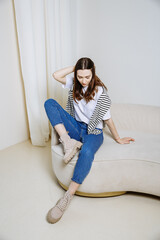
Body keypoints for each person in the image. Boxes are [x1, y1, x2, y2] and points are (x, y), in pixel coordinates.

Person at [44, 57, 135, 224]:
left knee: (86, 152)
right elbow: (56, 75)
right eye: (80, 76)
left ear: (93, 74)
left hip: (94, 131)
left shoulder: (100, 93)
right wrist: (75, 68)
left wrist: (118, 138)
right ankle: (68, 142)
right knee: (49, 103)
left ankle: (67, 196)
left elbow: (108, 120)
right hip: (75, 127)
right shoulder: (74, 82)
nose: (83, 81)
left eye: (87, 77)